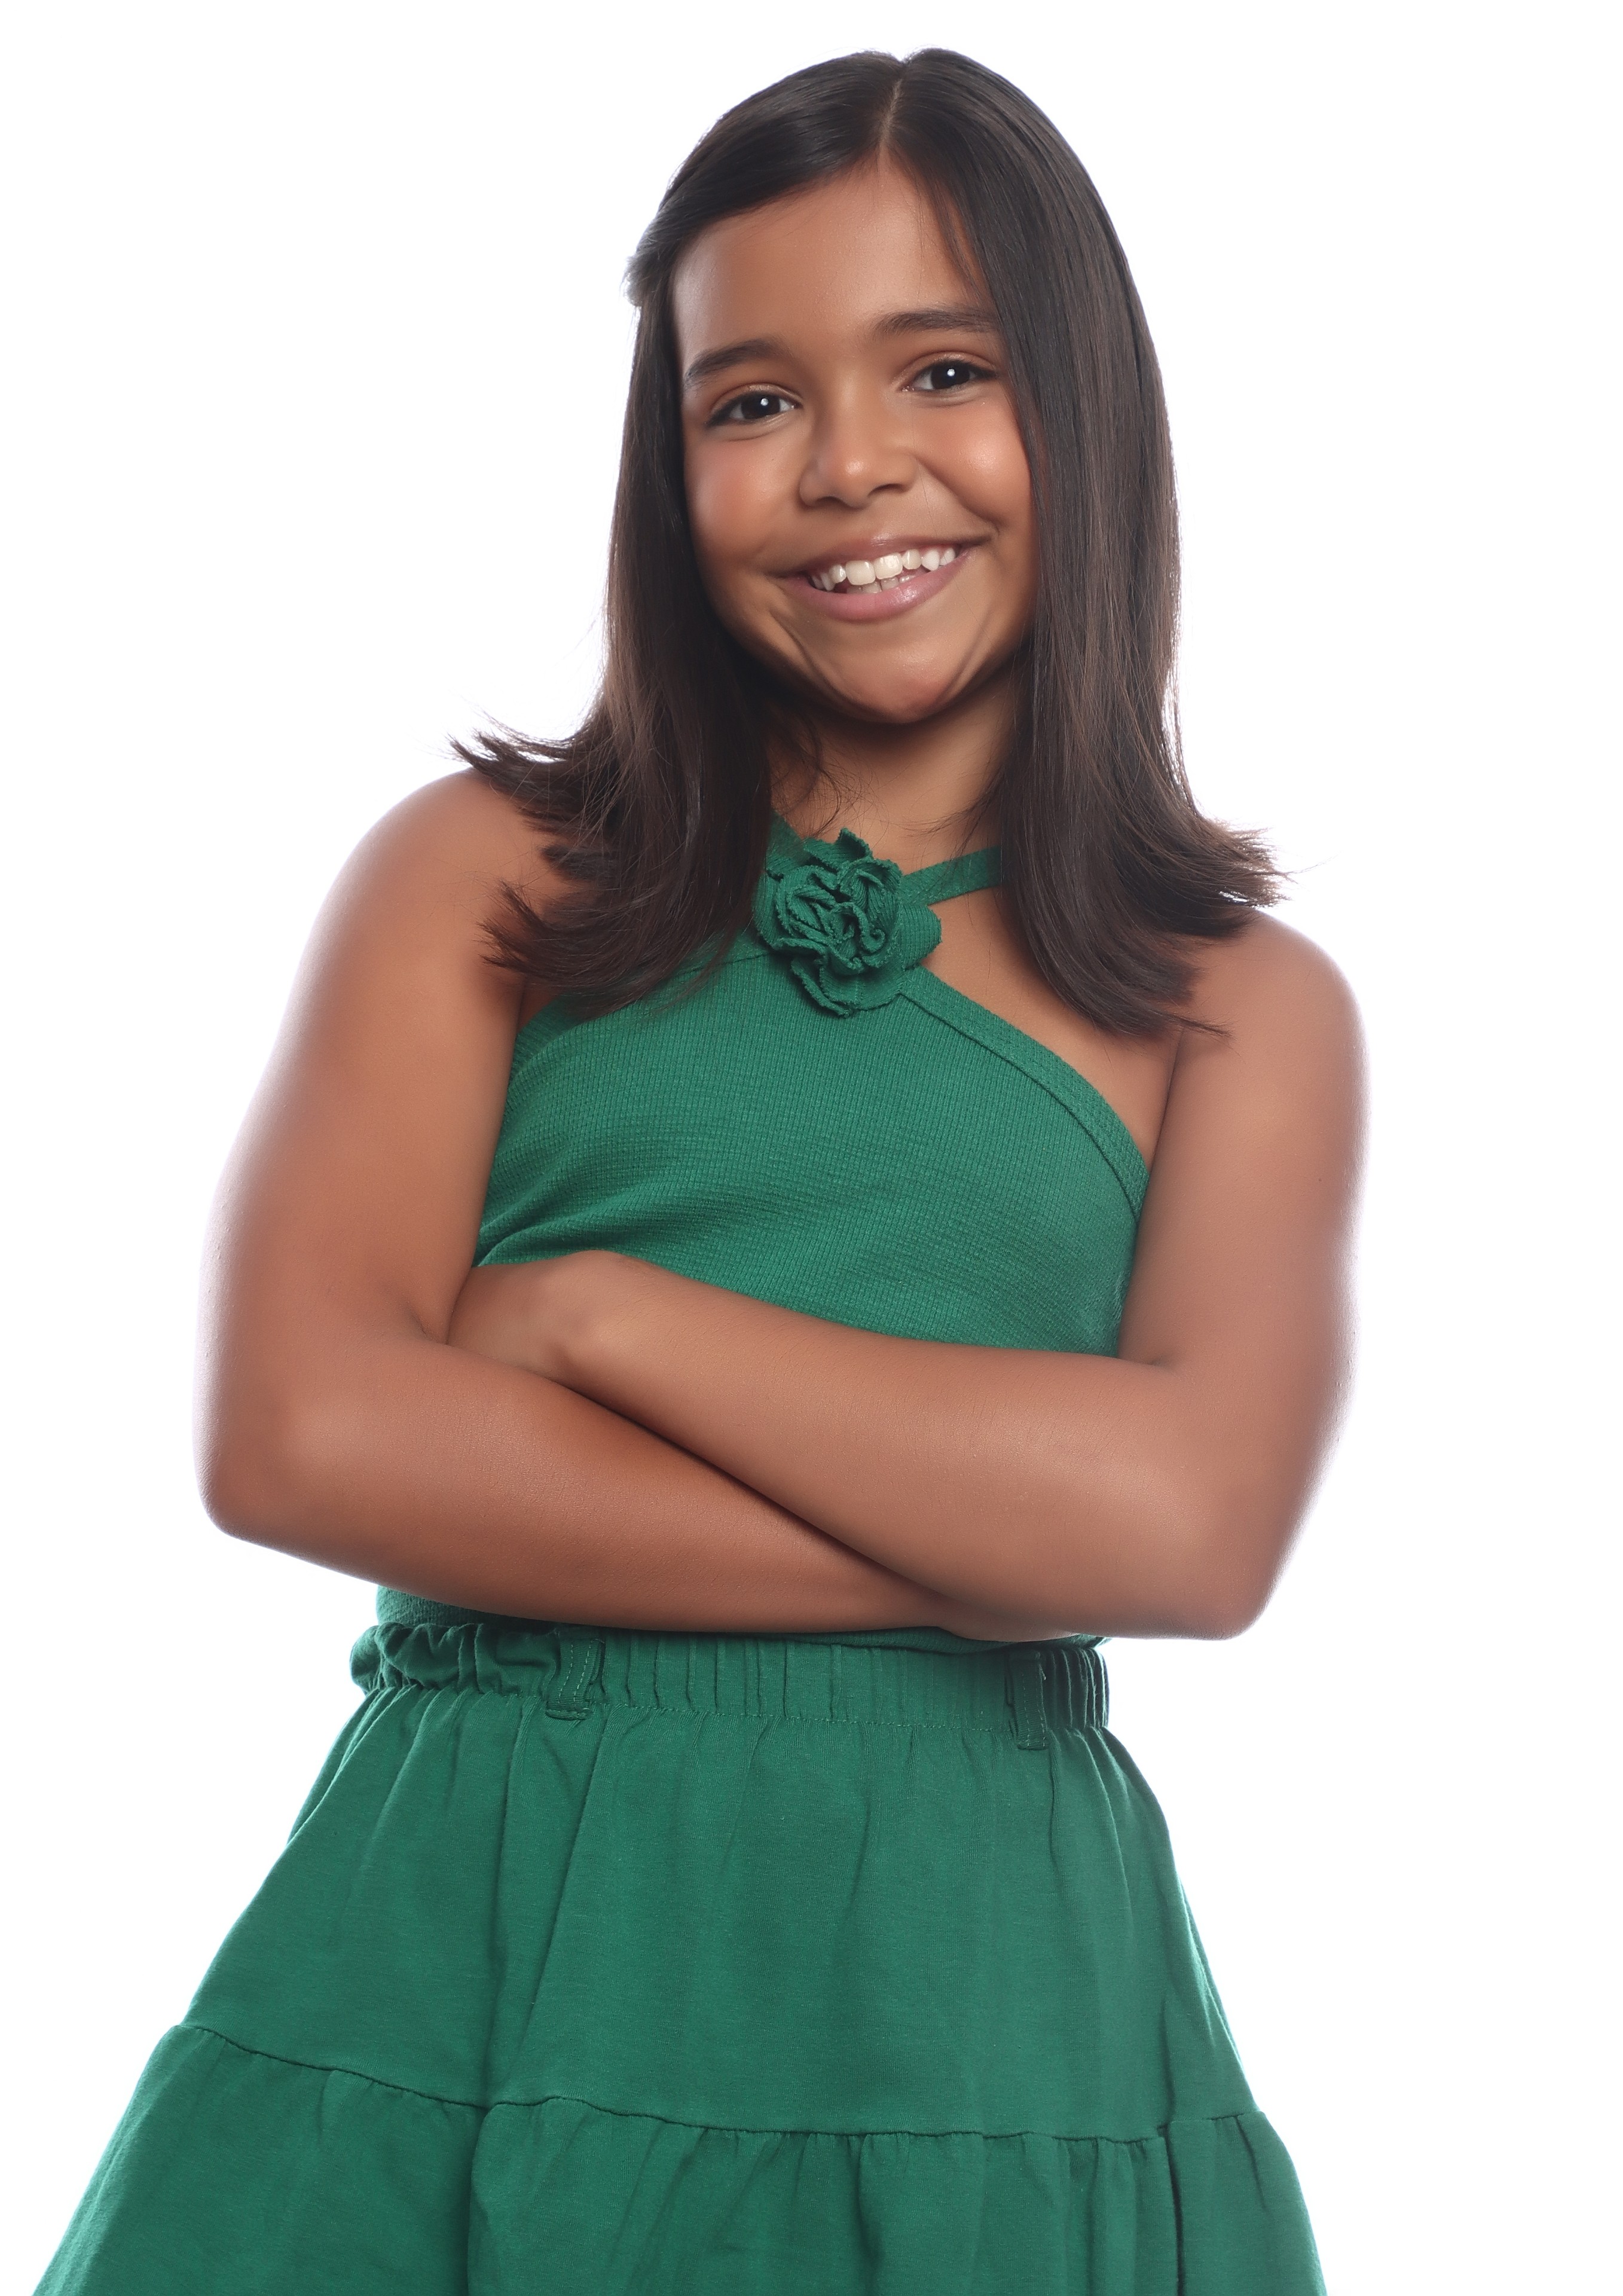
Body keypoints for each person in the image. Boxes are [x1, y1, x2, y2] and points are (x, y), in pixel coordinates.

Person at [38, 47, 1361, 2296]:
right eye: (749, 400)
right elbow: (302, 1436)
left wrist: (595, 1320)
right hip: (468, 1948)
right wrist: (990, 1540)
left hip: (977, 2010)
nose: (848, 466)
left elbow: (1189, 1533)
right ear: (665, 469)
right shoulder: (486, 874)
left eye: (942, 369)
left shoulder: (1237, 1003)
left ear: (1089, 409)